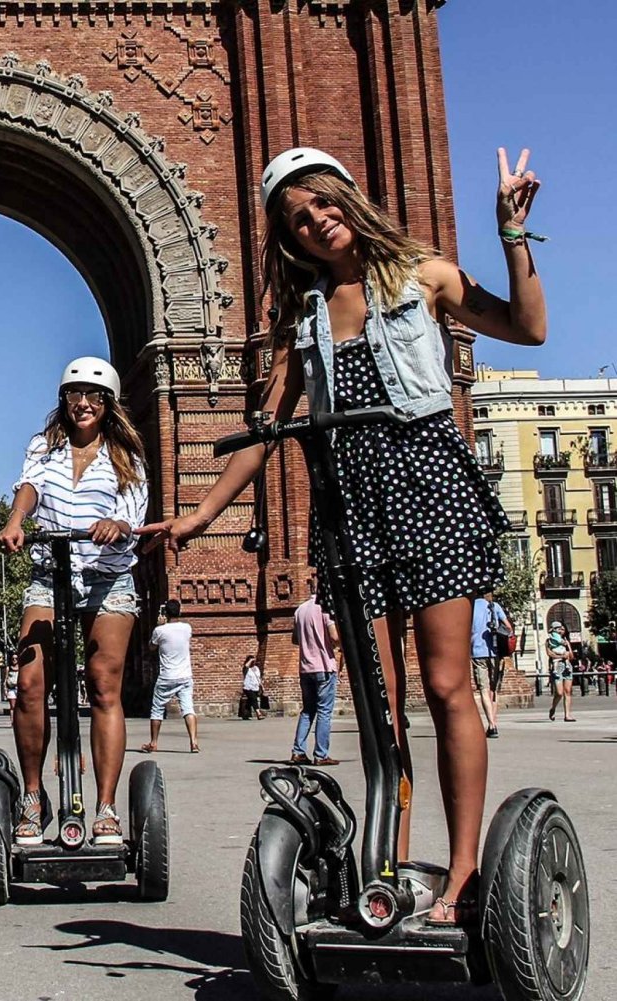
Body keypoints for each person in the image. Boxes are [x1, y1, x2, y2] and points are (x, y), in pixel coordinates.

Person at [139, 145, 545, 926]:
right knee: (375, 695)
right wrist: (196, 515)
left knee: (447, 683)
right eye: (299, 219)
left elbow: (527, 327)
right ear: (290, 240)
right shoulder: (308, 317)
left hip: (431, 488)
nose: (317, 221)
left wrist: (512, 235)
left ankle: (462, 873)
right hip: (350, 504)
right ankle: (385, 860)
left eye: (323, 203)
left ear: (348, 199)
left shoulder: (425, 274)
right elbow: (263, 429)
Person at [0, 357, 147, 847]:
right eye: (74, 395)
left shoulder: (126, 454)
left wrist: (117, 525)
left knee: (104, 685)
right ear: (63, 400)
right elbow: (29, 489)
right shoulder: (45, 445)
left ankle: (105, 808)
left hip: (108, 577)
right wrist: (17, 520)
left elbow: (132, 513)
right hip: (51, 570)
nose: (83, 403)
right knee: (31, 679)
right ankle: (33, 796)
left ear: (108, 405)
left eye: (94, 396)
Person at [291, 590, 341, 764]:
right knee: (324, 711)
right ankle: (321, 754)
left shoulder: (300, 610)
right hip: (324, 666)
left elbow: (295, 639)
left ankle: (298, 752)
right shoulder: (326, 609)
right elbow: (334, 636)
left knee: (307, 711)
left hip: (305, 668)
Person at [143, 600, 200, 753]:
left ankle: (154, 742)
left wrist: (159, 625)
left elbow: (151, 647)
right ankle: (194, 742)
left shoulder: (159, 631)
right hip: (185, 676)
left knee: (157, 709)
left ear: (165, 613)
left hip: (167, 676)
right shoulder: (187, 628)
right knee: (188, 708)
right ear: (179, 612)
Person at [471, 592, 512, 737]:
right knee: (494, 689)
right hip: (495, 653)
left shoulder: (470, 607)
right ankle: (493, 722)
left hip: (477, 652)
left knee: (484, 689)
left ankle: (492, 725)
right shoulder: (494, 606)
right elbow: (508, 628)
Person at [546, 621, 575, 722]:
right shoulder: (550, 641)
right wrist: (561, 656)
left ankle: (567, 715)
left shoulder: (565, 641)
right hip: (557, 665)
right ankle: (553, 708)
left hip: (567, 666)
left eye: (562, 629)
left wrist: (569, 647)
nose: (561, 631)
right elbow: (549, 653)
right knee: (559, 692)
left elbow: (571, 656)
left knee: (567, 691)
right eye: (559, 629)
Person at [241, 654, 263, 721]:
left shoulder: (256, 668)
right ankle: (258, 713)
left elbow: (259, 677)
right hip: (248, 687)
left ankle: (245, 714)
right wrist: (250, 660)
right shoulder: (246, 669)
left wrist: (261, 686)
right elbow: (246, 666)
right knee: (254, 699)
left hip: (256, 687)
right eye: (252, 661)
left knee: (250, 701)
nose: (253, 662)